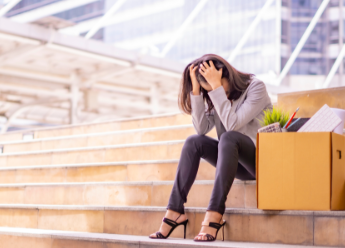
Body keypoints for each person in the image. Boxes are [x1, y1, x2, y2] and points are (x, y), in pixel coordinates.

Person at [149, 54, 272, 242]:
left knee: (229, 137)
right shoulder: (215, 95)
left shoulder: (256, 87)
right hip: (234, 161)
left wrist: (216, 88)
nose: (215, 92)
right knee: (193, 142)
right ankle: (174, 211)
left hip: (259, 160)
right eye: (209, 90)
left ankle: (215, 214)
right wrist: (197, 92)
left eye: (217, 85)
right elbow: (201, 129)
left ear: (225, 74)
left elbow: (232, 124)